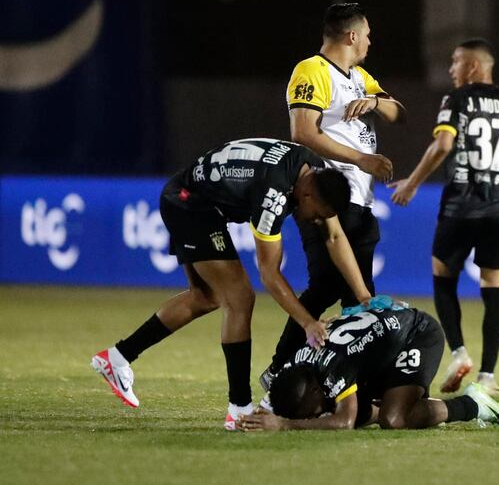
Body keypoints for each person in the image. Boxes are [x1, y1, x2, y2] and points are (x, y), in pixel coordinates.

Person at [91, 138, 372, 430]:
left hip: (192, 195)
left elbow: (335, 237)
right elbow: (270, 274)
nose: (315, 221)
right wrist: (308, 323)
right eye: (317, 215)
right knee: (239, 298)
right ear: (309, 195)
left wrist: (363, 295)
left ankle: (117, 357)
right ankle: (238, 408)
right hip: (190, 204)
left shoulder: (316, 171)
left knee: (205, 297)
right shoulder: (272, 195)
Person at [262, 3, 406, 389]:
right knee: (332, 285)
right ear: (352, 36)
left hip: (359, 200)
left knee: (353, 295)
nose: (371, 42)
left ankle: (347, 379)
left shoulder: (359, 77)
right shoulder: (312, 70)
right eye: (368, 35)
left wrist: (376, 102)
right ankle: (285, 371)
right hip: (324, 198)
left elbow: (399, 113)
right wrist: (362, 158)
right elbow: (304, 133)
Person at [388, 39, 499, 396]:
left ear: (474, 67)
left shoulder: (456, 99)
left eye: (456, 61)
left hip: (460, 202)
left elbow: (443, 145)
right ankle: (488, 376)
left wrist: (412, 184)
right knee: (495, 286)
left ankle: (459, 352)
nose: (451, 68)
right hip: (497, 204)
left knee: (442, 275)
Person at [236, 305, 499, 431]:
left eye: (311, 412)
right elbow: (277, 400)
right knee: (341, 408)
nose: (312, 416)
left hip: (417, 334)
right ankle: (403, 397)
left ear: (318, 387)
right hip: (378, 351)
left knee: (395, 419)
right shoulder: (295, 366)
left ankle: (473, 404)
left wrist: (285, 425)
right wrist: (257, 417)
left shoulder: (334, 367)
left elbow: (343, 422)